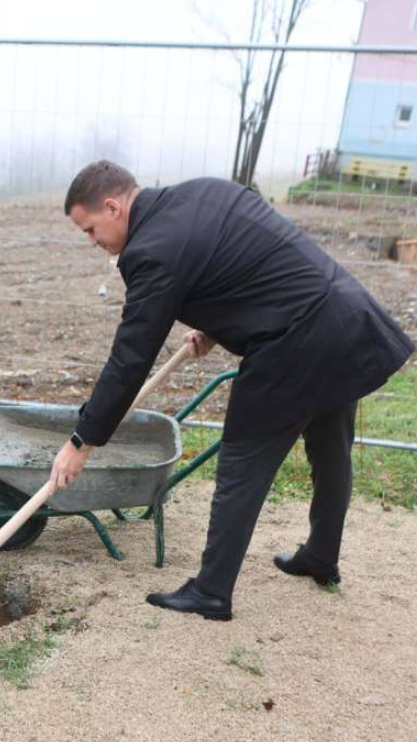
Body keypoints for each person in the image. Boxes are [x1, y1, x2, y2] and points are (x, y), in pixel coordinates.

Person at [49, 161, 414, 621]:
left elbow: (130, 357)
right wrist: (216, 325)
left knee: (243, 459)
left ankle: (211, 591)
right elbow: (249, 263)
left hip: (297, 342)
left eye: (90, 229)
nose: (92, 242)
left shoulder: (150, 249)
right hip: (342, 317)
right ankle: (321, 557)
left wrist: (83, 438)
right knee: (331, 448)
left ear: (113, 206)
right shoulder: (203, 192)